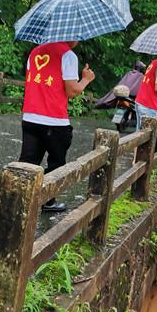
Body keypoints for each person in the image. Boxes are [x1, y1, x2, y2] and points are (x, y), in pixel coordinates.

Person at [19, 40, 95, 212]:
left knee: (28, 162)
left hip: (30, 116)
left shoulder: (35, 52)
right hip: (54, 120)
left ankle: (21, 200)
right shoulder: (67, 55)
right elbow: (72, 90)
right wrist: (86, 79)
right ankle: (48, 201)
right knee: (56, 164)